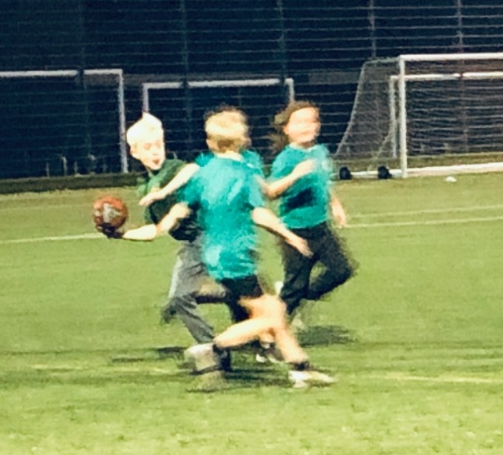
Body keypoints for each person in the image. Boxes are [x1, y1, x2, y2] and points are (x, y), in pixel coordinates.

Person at [140, 108, 332, 387]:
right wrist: (288, 235)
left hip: (214, 254)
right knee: (272, 314)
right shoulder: (244, 173)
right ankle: (212, 348)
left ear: (211, 142)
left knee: (272, 311)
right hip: (236, 257)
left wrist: (161, 225)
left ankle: (300, 367)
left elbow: (183, 206)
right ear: (241, 140)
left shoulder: (204, 172)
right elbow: (258, 212)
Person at [119, 113, 239, 370]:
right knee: (189, 296)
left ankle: (215, 349)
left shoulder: (172, 169)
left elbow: (192, 169)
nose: (155, 151)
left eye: (158, 145)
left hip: (210, 235)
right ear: (134, 152)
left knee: (180, 297)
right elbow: (155, 230)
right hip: (193, 242)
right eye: (147, 147)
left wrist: (164, 191)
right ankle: (240, 303)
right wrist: (120, 233)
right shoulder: (145, 185)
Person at [264, 101, 354, 322]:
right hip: (296, 232)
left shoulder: (319, 152)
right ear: (287, 129)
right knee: (294, 287)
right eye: (299, 122)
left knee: (341, 270)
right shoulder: (287, 158)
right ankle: (269, 333)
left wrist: (335, 205)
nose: (306, 127)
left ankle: (304, 296)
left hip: (320, 228)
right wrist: (294, 175)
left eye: (311, 121)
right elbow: (271, 192)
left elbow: (323, 182)